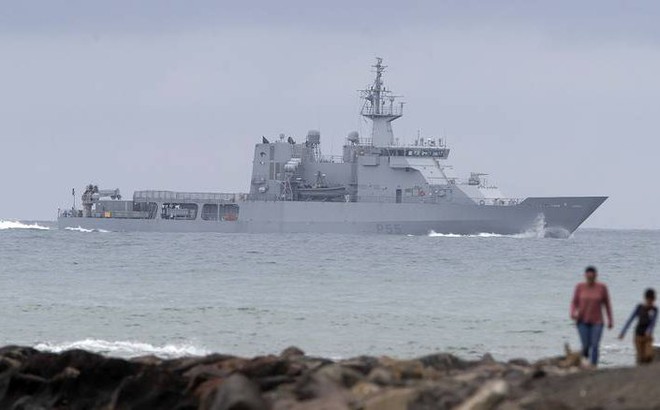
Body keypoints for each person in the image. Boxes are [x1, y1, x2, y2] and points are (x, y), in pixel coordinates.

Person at [570, 266, 613, 366]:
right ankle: (585, 365)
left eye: (592, 277)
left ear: (595, 276)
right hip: (582, 321)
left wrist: (610, 320)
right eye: (588, 277)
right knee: (585, 345)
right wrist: (573, 313)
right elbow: (574, 302)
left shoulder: (602, 287)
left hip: (597, 322)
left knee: (594, 345)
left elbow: (607, 304)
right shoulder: (579, 287)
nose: (590, 279)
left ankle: (594, 366)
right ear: (585, 276)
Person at [618, 288, 657, 364]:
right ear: (645, 299)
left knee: (649, 356)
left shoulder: (655, 309)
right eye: (649, 300)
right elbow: (630, 320)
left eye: (651, 300)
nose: (650, 302)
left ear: (654, 299)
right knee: (641, 358)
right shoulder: (639, 307)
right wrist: (623, 332)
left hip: (648, 337)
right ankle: (640, 372)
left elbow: (653, 323)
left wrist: (649, 331)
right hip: (638, 335)